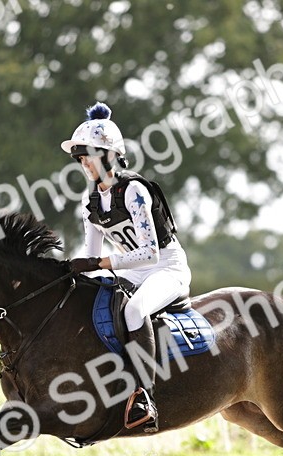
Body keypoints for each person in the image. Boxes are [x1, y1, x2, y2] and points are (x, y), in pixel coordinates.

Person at [62, 101, 190, 433]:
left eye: (88, 154)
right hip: (131, 270)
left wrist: (100, 263)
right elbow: (91, 258)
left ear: (108, 155)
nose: (83, 162)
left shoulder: (133, 191)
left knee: (133, 311)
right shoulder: (89, 200)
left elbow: (148, 253)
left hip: (167, 267)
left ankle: (145, 398)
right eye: (80, 157)